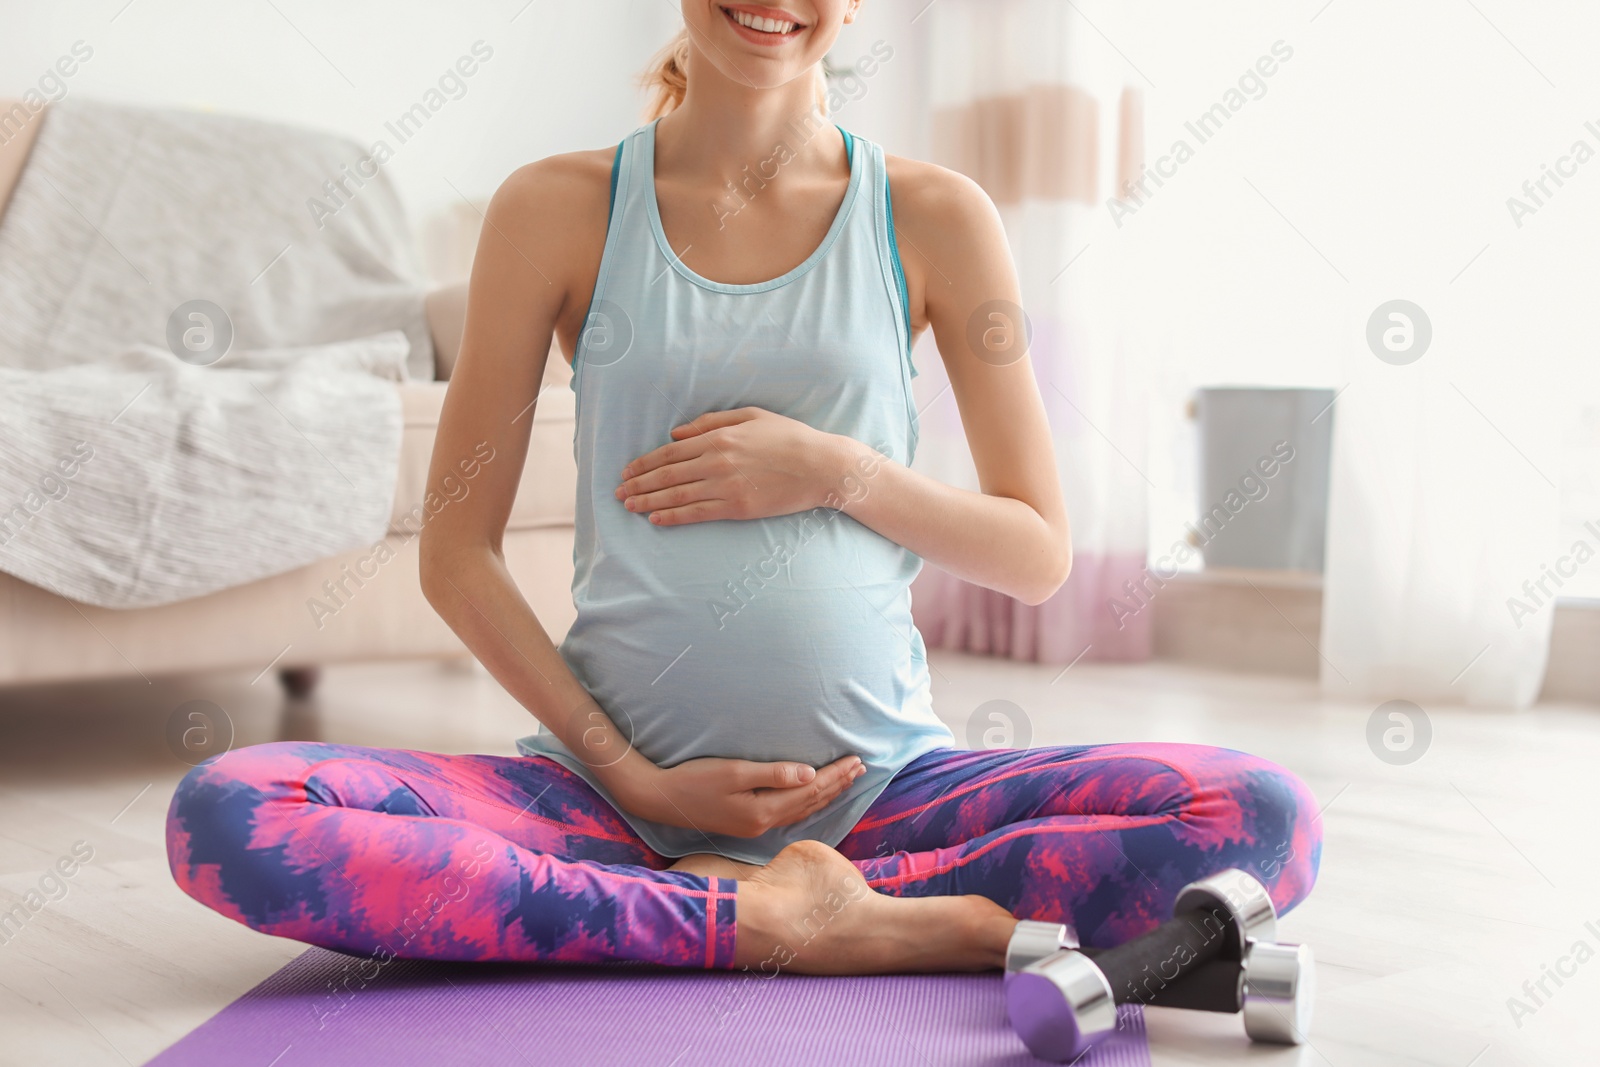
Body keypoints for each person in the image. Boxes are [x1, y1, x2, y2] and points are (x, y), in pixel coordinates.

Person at [167, 0, 1320, 975]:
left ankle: (739, 912)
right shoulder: (553, 207)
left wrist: (833, 467)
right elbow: (453, 550)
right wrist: (633, 772)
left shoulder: (935, 215)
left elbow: (1035, 549)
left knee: (1262, 816)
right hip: (601, 801)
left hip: (890, 802)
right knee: (229, 813)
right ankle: (785, 921)